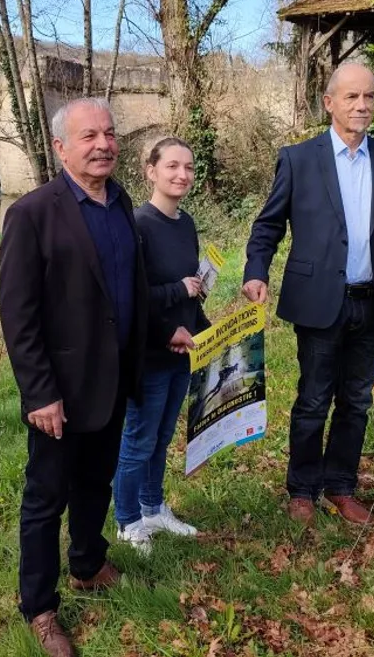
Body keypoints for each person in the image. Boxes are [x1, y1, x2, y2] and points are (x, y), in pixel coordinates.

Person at [0, 99, 192, 657]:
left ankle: (87, 562)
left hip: (112, 381)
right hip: (58, 391)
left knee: (95, 484)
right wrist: (39, 392)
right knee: (45, 498)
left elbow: (123, 296)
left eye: (109, 133)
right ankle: (39, 607)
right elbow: (19, 313)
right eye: (89, 136)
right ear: (61, 148)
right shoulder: (34, 213)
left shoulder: (121, 207)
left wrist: (161, 335)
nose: (104, 143)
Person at [242, 62, 374, 527]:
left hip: (373, 300)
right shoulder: (299, 159)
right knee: (313, 399)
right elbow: (268, 224)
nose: (362, 106)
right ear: (329, 103)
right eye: (351, 97)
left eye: (369, 97)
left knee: (357, 401)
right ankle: (302, 488)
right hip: (321, 300)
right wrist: (255, 270)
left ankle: (340, 486)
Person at [114, 138, 209, 554]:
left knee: (163, 436)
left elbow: (191, 290)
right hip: (150, 354)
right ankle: (127, 520)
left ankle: (152, 508)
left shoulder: (185, 223)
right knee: (138, 439)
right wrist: (176, 293)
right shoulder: (137, 226)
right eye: (172, 166)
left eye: (188, 167)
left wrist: (204, 328)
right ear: (151, 171)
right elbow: (126, 297)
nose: (182, 175)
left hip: (182, 352)